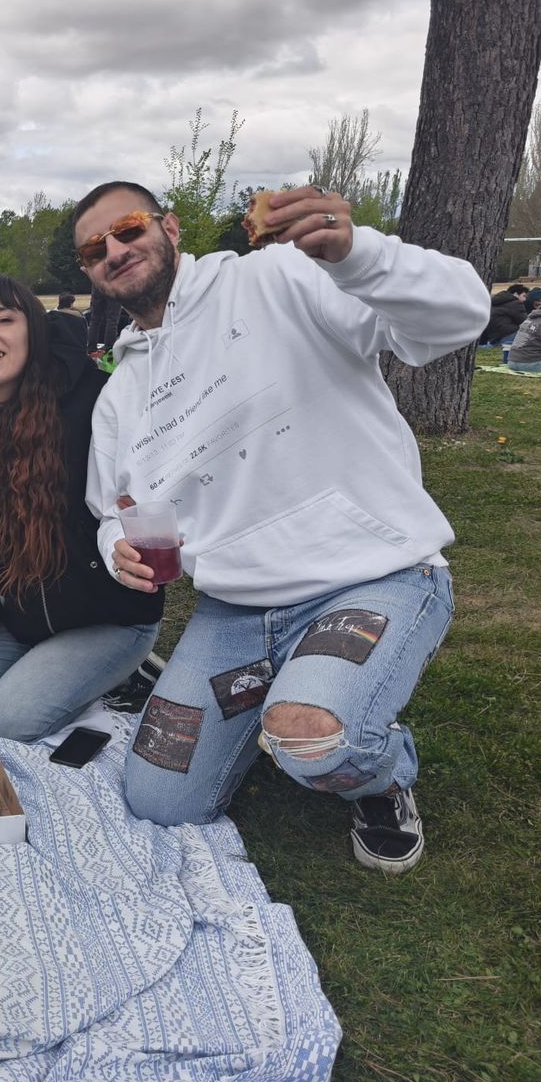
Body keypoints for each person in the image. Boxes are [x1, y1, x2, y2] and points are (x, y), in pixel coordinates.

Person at [73, 179, 486, 873]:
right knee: (157, 798)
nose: (115, 249)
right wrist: (114, 544)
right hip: (234, 613)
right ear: (88, 271)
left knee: (313, 740)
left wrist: (357, 255)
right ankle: (296, 692)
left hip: (368, 576)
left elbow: (459, 316)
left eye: (130, 227)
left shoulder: (280, 276)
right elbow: (111, 508)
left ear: (171, 229)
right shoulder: (121, 392)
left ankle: (380, 774)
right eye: (94, 248)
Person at [0, 276, 162, 742]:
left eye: (4, 319)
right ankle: (49, 667)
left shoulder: (92, 398)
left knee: (11, 720)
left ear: (35, 332)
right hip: (22, 613)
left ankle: (122, 670)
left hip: (105, 614)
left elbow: (147, 489)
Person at [479, 284, 532, 351]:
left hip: (494, 336)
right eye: (523, 296)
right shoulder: (516, 303)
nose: (525, 299)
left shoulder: (495, 301)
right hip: (509, 334)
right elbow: (525, 322)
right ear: (515, 294)